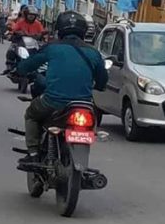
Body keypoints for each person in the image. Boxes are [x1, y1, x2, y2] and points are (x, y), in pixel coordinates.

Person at [16, 11, 108, 168]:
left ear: (59, 29)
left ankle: (33, 154)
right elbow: (102, 81)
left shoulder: (52, 48)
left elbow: (27, 66)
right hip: (84, 106)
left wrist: (21, 70)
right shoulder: (93, 53)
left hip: (53, 102)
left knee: (31, 114)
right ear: (84, 31)